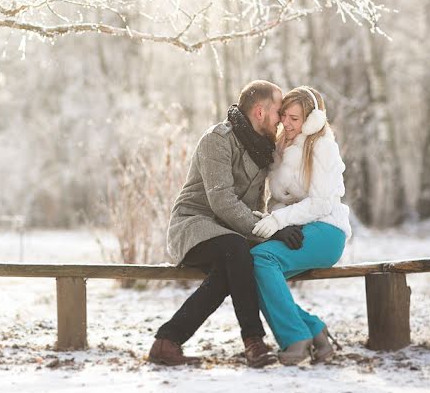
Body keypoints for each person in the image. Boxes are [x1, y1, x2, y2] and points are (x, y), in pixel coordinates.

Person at [148, 80, 304, 368]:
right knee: (236, 249)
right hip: (194, 226)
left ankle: (167, 342)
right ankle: (254, 342)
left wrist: (275, 228)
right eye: (278, 112)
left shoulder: (263, 150)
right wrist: (272, 230)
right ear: (259, 112)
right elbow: (221, 201)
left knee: (237, 261)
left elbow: (254, 208)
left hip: (229, 236)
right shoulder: (217, 139)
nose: (282, 118)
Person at [250, 86, 353, 365]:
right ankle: (313, 330)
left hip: (327, 230)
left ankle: (295, 338)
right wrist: (278, 221)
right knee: (253, 268)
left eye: (295, 118)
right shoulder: (282, 148)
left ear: (311, 120)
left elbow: (320, 203)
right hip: (300, 229)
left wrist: (280, 220)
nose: (286, 122)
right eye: (284, 116)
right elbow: (277, 200)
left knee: (262, 258)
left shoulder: (322, 146)